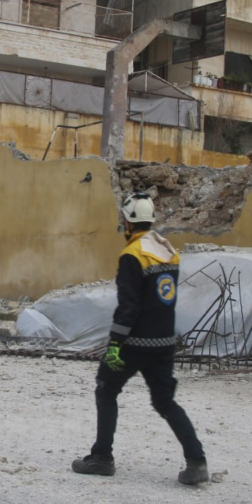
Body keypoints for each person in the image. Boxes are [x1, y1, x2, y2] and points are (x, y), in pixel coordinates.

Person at [72, 192, 208, 485]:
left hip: (135, 344)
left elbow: (129, 307)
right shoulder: (168, 251)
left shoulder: (132, 255)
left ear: (127, 222)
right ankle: (197, 461)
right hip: (165, 342)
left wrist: (114, 346)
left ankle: (101, 457)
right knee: (165, 402)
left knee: (106, 389)